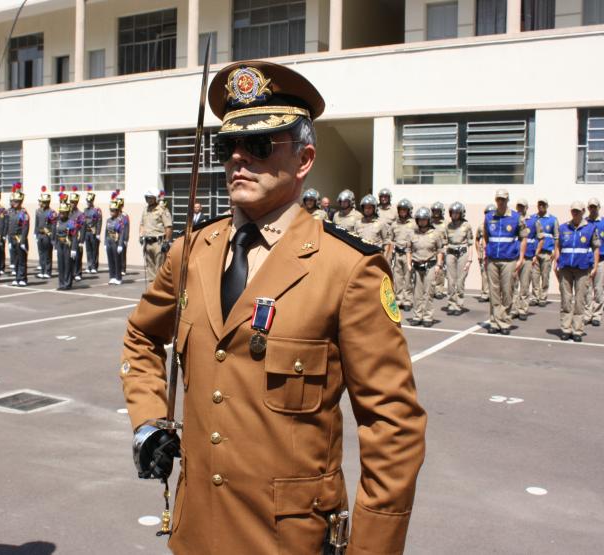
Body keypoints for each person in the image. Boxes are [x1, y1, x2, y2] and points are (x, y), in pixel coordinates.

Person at [122, 60, 425, 555]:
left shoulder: (347, 268)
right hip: (195, 532)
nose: (238, 158)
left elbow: (392, 427)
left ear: (304, 159)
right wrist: (149, 419)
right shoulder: (192, 251)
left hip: (289, 540)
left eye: (260, 145)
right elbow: (140, 337)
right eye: (227, 146)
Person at [483, 190, 527, 335]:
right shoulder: (489, 217)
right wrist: (486, 254)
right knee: (494, 292)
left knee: (507, 291)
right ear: (496, 200)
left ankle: (505, 321)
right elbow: (486, 237)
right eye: (498, 199)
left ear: (508, 200)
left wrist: (521, 258)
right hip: (492, 260)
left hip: (509, 259)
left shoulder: (516, 217)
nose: (501, 202)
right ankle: (495, 322)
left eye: (503, 199)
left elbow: (523, 239)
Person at [554, 202, 600, 342]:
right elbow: (558, 246)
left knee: (580, 300)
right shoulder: (563, 227)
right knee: (566, 299)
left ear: (583, 211)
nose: (575, 213)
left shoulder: (590, 228)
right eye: (573, 211)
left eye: (578, 211)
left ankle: (577, 330)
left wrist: (595, 266)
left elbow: (596, 248)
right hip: (565, 268)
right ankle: (566, 328)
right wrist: (557, 262)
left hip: (583, 268)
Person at [408, 206, 444, 327]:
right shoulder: (412, 233)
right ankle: (417, 316)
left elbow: (440, 250)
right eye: (419, 219)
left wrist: (438, 265)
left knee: (428, 292)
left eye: (424, 219)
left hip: (430, 266)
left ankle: (428, 317)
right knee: (417, 293)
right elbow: (408, 250)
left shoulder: (435, 234)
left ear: (428, 220)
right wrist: (409, 264)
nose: (422, 221)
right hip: (417, 266)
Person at [584, 198, 604, 328]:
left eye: (595, 207)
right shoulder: (584, 222)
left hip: (601, 260)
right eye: (591, 207)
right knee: (587, 289)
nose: (593, 209)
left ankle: (597, 315)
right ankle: (587, 314)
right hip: (587, 261)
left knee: (598, 289)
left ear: (599, 208)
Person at [512, 199, 539, 322]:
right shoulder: (513, 219)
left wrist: (536, 254)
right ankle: (513, 309)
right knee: (513, 285)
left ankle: (523, 309)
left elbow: (541, 238)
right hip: (514, 256)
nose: (520, 208)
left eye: (522, 206)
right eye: (518, 206)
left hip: (527, 257)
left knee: (524, 284)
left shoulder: (533, 221)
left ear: (526, 207)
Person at [445, 202, 473, 316]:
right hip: (451, 254)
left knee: (460, 280)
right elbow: (445, 242)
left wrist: (470, 260)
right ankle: (451, 303)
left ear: (461, 213)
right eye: (453, 213)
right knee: (451, 280)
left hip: (462, 253)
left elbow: (470, 243)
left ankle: (459, 304)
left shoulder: (466, 226)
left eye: (457, 213)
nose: (455, 215)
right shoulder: (448, 226)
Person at [140, 189, 173, 283]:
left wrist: (166, 241)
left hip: (158, 243)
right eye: (147, 197)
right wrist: (141, 235)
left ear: (155, 198)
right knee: (150, 266)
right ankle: (152, 287)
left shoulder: (162, 210)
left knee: (159, 267)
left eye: (150, 197)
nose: (148, 199)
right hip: (147, 242)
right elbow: (142, 224)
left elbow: (168, 226)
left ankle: (160, 287)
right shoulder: (145, 210)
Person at [532, 199, 558, 307]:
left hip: (547, 252)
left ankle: (543, 297)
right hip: (535, 252)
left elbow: (556, 237)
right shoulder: (533, 218)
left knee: (545, 276)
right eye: (539, 204)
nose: (541, 206)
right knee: (534, 276)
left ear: (547, 206)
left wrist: (555, 252)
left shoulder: (553, 220)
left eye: (543, 204)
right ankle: (535, 297)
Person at [393, 198, 415, 309]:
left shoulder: (414, 224)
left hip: (408, 254)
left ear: (409, 211)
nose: (402, 211)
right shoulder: (395, 224)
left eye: (404, 210)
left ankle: (407, 300)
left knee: (408, 278)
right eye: (400, 209)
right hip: (397, 254)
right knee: (397, 278)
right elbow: (390, 239)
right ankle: (398, 299)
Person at [6, 185, 30, 287]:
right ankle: (17, 277)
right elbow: (8, 226)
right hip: (12, 239)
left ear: (20, 202)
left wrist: (23, 241)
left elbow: (25, 227)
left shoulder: (23, 213)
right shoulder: (10, 212)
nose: (14, 203)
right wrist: (8, 239)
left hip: (20, 239)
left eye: (16, 201)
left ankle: (22, 278)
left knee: (21, 260)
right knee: (15, 260)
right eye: (13, 201)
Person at [355, 194, 393, 258]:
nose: (367, 210)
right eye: (365, 207)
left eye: (369, 208)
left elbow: (387, 243)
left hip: (375, 256)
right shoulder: (358, 223)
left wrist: (385, 259)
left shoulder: (381, 223)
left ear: (374, 208)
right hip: (361, 256)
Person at [54, 203, 79, 291]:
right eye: (60, 212)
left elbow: (74, 236)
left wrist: (73, 249)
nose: (61, 214)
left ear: (67, 213)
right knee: (60, 265)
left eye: (63, 212)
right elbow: (56, 235)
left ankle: (67, 283)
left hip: (67, 245)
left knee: (67, 264)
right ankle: (61, 283)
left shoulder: (71, 222)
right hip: (60, 245)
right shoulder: (58, 222)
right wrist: (55, 247)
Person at [104, 199, 128, 285]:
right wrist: (105, 243)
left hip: (116, 242)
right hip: (109, 242)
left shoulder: (120, 221)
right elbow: (106, 232)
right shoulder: (108, 220)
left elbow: (122, 233)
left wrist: (120, 244)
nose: (112, 212)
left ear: (117, 211)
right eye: (111, 210)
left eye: (113, 210)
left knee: (117, 260)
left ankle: (118, 277)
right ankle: (112, 277)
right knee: (110, 260)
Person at [475, 204, 494, 303]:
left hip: (494, 252)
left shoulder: (497, 225)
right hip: (484, 253)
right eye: (487, 213)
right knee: (484, 273)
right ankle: (485, 293)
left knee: (495, 274)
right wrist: (479, 252)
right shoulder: (481, 227)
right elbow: (477, 240)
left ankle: (494, 294)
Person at [35, 187, 56, 279]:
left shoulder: (52, 212)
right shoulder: (38, 211)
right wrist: (35, 233)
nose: (41, 203)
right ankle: (42, 270)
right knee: (41, 254)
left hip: (47, 235)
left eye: (43, 202)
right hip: (40, 235)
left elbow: (54, 226)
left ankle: (47, 271)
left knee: (47, 254)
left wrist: (52, 237)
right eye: (41, 202)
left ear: (47, 202)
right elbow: (36, 223)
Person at [430, 201, 448, 299]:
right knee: (431, 269)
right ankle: (431, 289)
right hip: (431, 248)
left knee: (440, 269)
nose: (436, 213)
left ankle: (439, 290)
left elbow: (449, 236)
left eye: (438, 211)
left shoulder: (445, 224)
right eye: (434, 211)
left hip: (441, 249)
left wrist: (446, 247)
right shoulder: (429, 222)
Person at [83, 188, 103, 274]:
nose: (88, 202)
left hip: (93, 232)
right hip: (86, 232)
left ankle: (94, 266)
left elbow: (99, 222)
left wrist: (98, 233)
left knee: (94, 250)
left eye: (90, 201)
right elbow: (83, 222)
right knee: (88, 250)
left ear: (92, 201)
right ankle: (89, 265)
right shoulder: (85, 210)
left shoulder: (97, 210)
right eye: (87, 201)